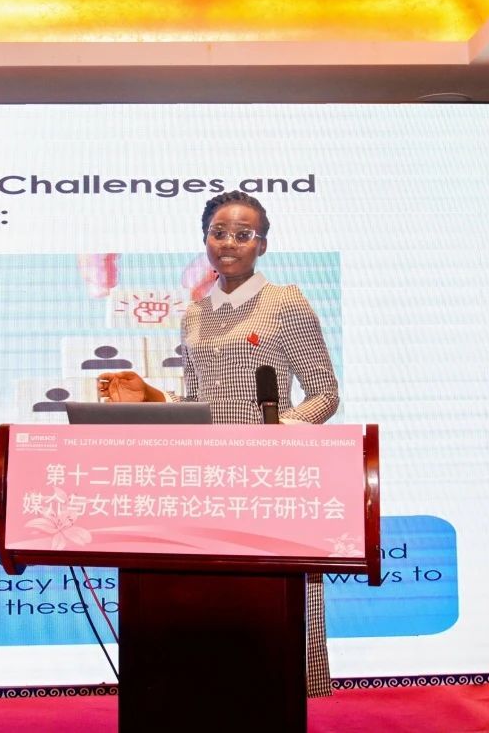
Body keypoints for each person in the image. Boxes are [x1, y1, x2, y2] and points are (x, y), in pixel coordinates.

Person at [97, 189, 340, 697]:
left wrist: (281, 433)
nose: (229, 243)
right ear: (205, 240)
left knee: (272, 606)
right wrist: (149, 397)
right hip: (206, 478)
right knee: (209, 602)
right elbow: (196, 401)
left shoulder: (286, 303)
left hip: (269, 476)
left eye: (243, 234)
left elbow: (324, 393)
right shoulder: (195, 313)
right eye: (219, 233)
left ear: (262, 245)